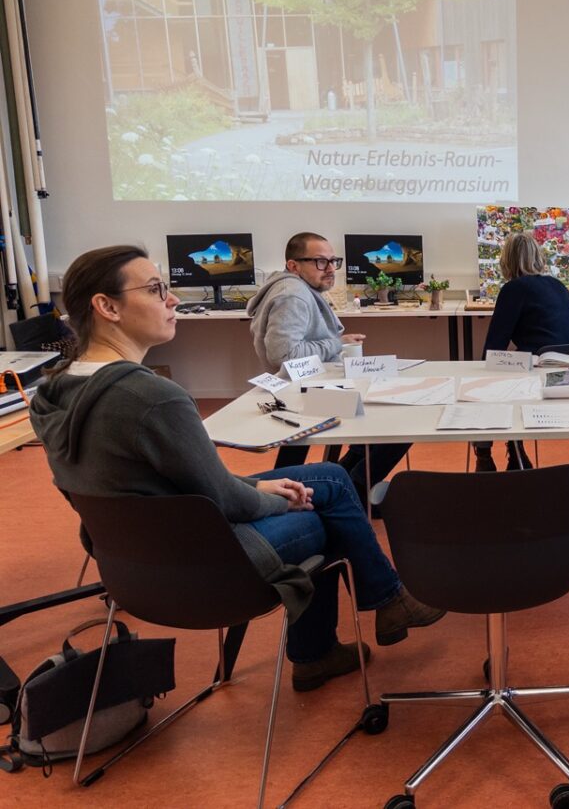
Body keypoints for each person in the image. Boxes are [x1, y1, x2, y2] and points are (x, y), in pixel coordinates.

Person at [31, 246, 445, 693]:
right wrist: (273, 496)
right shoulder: (152, 398)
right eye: (155, 290)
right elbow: (224, 501)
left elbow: (181, 485)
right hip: (208, 560)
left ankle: (380, 605)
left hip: (131, 561)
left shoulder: (54, 391)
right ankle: (333, 638)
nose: (172, 301)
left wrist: (262, 483)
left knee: (330, 478)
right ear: (106, 306)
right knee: (319, 510)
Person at [245, 231, 410, 509]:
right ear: (293, 265)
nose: (330, 268)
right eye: (320, 262)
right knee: (404, 419)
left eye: (333, 261)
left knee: (380, 409)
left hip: (310, 387)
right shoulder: (293, 295)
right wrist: (336, 343)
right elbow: (284, 356)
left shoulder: (296, 288)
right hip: (307, 395)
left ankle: (345, 480)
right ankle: (354, 491)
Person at [476, 231, 569, 472]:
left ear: (507, 261)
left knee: (485, 383)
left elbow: (494, 347)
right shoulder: (558, 285)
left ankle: (484, 454)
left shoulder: (514, 289)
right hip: (567, 371)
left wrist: (479, 372)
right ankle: (516, 452)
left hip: (536, 374)